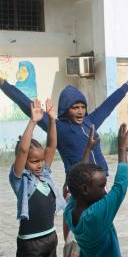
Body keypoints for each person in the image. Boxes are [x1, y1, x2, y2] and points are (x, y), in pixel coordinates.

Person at [0, 69, 128, 241]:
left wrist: (127, 85)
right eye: (75, 108)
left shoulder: (91, 121)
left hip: (99, 184)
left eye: (82, 107)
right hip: (79, 187)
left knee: (98, 226)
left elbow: (109, 104)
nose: (80, 111)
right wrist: (4, 85)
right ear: (65, 110)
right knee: (77, 231)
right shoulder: (60, 128)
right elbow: (26, 104)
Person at [64, 124, 128, 257]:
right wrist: (122, 148)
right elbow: (119, 187)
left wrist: (88, 148)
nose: (105, 191)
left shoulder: (70, 211)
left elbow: (79, 176)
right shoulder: (95, 215)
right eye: (102, 186)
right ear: (85, 189)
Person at [10, 98, 65, 257]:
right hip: (30, 244)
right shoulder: (21, 180)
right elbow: (23, 151)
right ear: (24, 163)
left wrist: (52, 120)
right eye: (34, 161)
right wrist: (33, 122)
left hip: (51, 237)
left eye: (41, 160)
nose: (40, 165)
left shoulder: (45, 174)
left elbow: (51, 145)